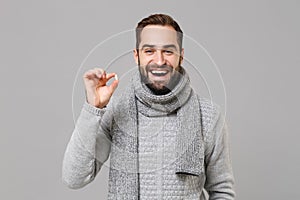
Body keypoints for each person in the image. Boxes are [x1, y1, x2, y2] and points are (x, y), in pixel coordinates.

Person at [62, 14, 235, 199]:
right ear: (137, 56)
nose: (159, 61)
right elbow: (74, 178)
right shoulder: (116, 111)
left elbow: (221, 191)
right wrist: (92, 108)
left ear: (181, 56)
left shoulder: (208, 116)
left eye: (168, 51)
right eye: (149, 51)